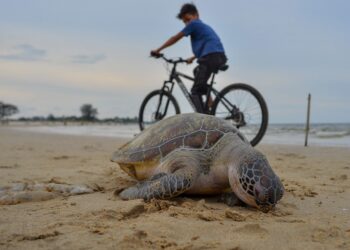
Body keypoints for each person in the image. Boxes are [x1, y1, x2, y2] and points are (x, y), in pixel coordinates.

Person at [151, 3, 227, 113]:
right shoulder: (202, 27)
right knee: (197, 72)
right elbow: (208, 45)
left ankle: (203, 122)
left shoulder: (194, 24)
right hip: (217, 56)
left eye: (188, 19)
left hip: (211, 57)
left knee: (195, 91)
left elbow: (175, 38)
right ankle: (210, 103)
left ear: (196, 15)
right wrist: (192, 58)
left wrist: (158, 50)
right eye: (185, 22)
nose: (187, 23)